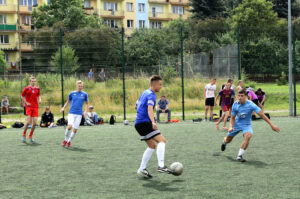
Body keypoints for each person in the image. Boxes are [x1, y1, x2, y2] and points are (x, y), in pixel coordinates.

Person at [221, 88, 280, 162]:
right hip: (236, 124)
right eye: (238, 96)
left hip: (246, 125)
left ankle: (239, 156)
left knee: (248, 136)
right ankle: (224, 142)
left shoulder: (251, 105)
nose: (239, 97)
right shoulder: (235, 105)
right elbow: (232, 118)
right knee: (228, 140)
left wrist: (272, 125)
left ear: (246, 96)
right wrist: (231, 127)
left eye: (242, 96)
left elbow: (262, 115)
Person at [135, 75, 173, 179]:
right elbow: (150, 109)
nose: (161, 87)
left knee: (151, 146)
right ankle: (161, 165)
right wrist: (153, 122)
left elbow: (136, 104)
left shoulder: (144, 92)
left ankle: (142, 169)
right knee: (162, 141)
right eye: (160, 84)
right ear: (154, 84)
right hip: (144, 122)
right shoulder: (151, 95)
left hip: (138, 123)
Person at [60, 80, 89, 148]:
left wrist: (85, 111)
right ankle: (65, 140)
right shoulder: (72, 93)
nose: (80, 87)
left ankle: (69, 141)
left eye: (81, 86)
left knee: (75, 130)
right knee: (69, 127)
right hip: (71, 113)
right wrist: (63, 108)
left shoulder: (84, 94)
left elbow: (87, 104)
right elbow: (68, 102)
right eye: (79, 86)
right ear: (76, 86)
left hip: (79, 114)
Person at [21, 76, 41, 142]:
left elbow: (38, 95)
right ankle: (24, 134)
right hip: (29, 107)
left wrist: (40, 99)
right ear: (30, 81)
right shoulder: (26, 88)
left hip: (35, 107)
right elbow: (22, 96)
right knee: (28, 122)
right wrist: (26, 102)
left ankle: (30, 135)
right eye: (32, 81)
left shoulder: (37, 88)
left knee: (34, 123)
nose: (33, 82)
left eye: (34, 81)